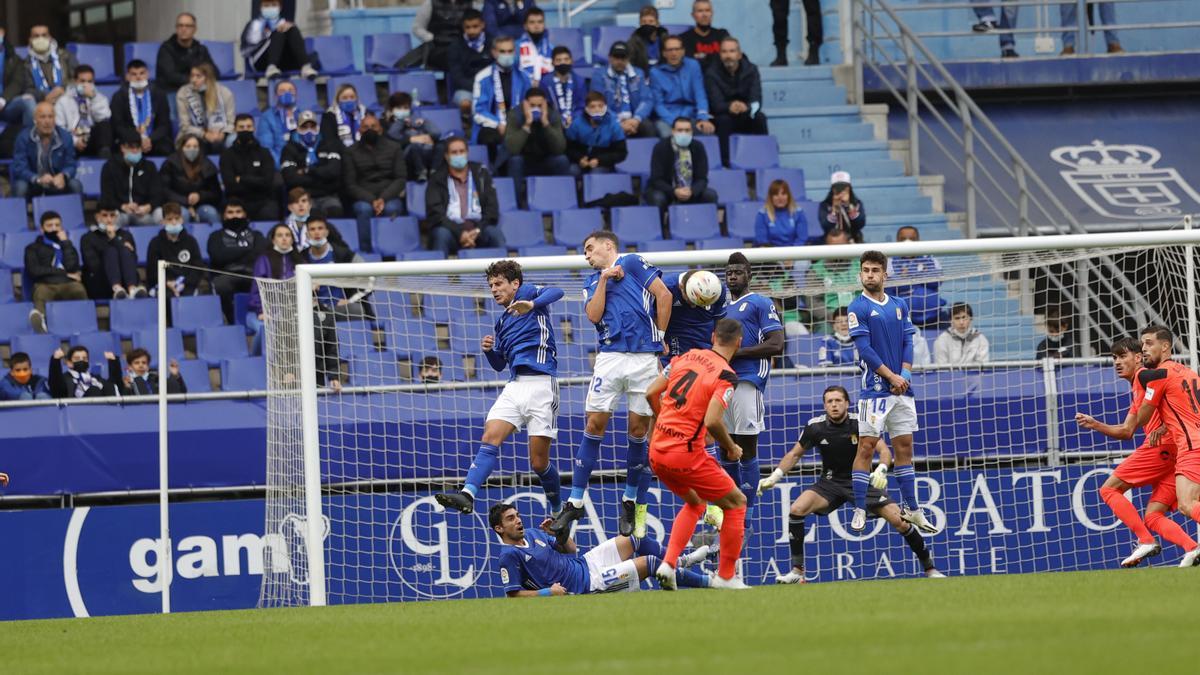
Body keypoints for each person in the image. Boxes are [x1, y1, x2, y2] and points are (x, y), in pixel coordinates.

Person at [548, 230, 673, 540]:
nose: (587, 255)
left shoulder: (632, 262)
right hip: (610, 357)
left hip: (644, 358)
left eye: (590, 249)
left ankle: (629, 498)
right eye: (585, 252)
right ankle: (575, 501)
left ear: (608, 246)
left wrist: (661, 335)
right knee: (595, 422)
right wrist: (603, 279)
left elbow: (665, 295)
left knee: (638, 430)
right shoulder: (592, 282)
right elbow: (593, 315)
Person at [758, 385, 946, 583]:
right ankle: (797, 573)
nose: (834, 405)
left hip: (861, 480)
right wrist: (775, 476)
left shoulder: (861, 422)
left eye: (838, 400)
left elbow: (884, 451)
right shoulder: (815, 427)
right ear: (824, 405)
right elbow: (794, 454)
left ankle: (930, 569)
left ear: (847, 403)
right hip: (830, 482)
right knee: (796, 509)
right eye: (829, 401)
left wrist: (882, 468)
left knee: (900, 522)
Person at [435, 260, 564, 515]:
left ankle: (559, 510)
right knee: (489, 436)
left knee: (539, 463)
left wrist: (532, 305)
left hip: (542, 385)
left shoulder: (527, 294)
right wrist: (488, 352)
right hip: (515, 385)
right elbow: (499, 364)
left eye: (499, 283)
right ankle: (467, 494)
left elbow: (556, 291)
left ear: (515, 284)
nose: (494, 289)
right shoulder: (502, 322)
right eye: (491, 285)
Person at [1075, 337, 1199, 568]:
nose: (1117, 362)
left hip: (1162, 449)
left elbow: (1172, 388)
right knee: (1154, 516)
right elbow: (1126, 431)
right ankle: (1193, 548)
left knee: (1109, 489)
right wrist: (1096, 425)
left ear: (1139, 357)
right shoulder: (1139, 386)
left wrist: (1163, 427)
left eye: (1123, 356)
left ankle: (1145, 541)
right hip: (1176, 452)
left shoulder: (1145, 376)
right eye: (1114, 358)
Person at [645, 318, 749, 590]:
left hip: (657, 449)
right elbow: (714, 421)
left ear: (713, 336)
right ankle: (726, 576)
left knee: (695, 502)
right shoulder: (726, 375)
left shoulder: (684, 357)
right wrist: (730, 446)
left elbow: (651, 392)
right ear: (739, 342)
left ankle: (668, 565)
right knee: (736, 502)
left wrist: (664, 418)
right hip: (686, 453)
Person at [846, 250, 934, 534]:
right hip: (874, 391)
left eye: (875, 270)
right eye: (865, 270)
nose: (869, 275)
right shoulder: (856, 308)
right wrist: (892, 376)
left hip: (902, 389)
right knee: (867, 447)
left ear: (885, 274)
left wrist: (905, 374)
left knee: (905, 449)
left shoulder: (900, 304)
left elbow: (909, 341)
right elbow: (866, 350)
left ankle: (912, 509)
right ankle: (860, 507)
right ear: (860, 274)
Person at [489, 502, 711, 596]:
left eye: (517, 515)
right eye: (511, 519)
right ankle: (712, 583)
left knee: (634, 538)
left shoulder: (533, 533)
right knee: (651, 563)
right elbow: (514, 595)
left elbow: (571, 549)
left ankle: (680, 561)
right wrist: (549, 592)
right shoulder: (509, 556)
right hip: (586, 585)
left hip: (586, 562)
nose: (518, 520)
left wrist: (559, 533)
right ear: (499, 528)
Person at [722, 252, 784, 528]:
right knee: (726, 449)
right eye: (729, 272)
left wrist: (737, 352)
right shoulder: (719, 306)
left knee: (746, 448)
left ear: (749, 274)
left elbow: (777, 343)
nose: (732, 276)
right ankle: (729, 506)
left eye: (738, 271)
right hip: (721, 382)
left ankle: (745, 513)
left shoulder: (760, 302)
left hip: (748, 379)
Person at [425, 137, 505, 256]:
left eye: (462, 151)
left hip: (478, 230)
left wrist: (477, 230)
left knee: (495, 234)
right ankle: (440, 275)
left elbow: (492, 209)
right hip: (450, 230)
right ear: (446, 156)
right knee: (441, 234)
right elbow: (436, 214)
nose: (459, 155)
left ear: (467, 153)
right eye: (454, 152)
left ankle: (505, 274)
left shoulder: (481, 173)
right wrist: (460, 232)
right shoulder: (437, 179)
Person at [344, 112, 406, 254]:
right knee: (363, 209)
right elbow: (350, 184)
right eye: (366, 127)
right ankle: (367, 256)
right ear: (359, 131)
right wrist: (372, 200)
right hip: (364, 198)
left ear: (381, 129)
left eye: (373, 126)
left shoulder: (394, 148)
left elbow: (400, 179)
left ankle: (390, 254)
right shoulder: (350, 152)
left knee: (391, 209)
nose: (370, 130)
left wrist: (383, 198)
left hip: (389, 196)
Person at [503, 87, 572, 204]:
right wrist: (527, 124)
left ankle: (564, 201)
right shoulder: (514, 115)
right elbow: (512, 149)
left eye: (540, 105)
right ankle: (516, 204)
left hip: (545, 160)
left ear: (545, 103)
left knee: (562, 160)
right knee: (515, 160)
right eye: (532, 105)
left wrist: (545, 123)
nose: (536, 108)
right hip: (523, 162)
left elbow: (560, 148)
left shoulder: (553, 115)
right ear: (525, 104)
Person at [706, 38, 767, 166]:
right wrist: (730, 106)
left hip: (746, 113)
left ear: (739, 54)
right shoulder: (711, 73)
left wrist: (748, 107)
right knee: (723, 121)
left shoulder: (751, 70)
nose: (728, 56)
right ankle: (726, 164)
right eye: (724, 52)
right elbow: (715, 104)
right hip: (724, 114)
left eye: (732, 51)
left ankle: (763, 160)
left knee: (759, 118)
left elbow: (757, 101)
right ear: (720, 54)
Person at [247, 223, 305, 356]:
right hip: (261, 312)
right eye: (280, 235)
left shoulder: (300, 260)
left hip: (290, 312)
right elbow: (256, 290)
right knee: (265, 329)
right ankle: (259, 362)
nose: (284, 238)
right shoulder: (263, 259)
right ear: (273, 240)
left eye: (287, 235)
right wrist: (261, 310)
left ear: (292, 239)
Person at [24, 211, 87, 333]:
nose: (54, 228)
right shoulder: (32, 248)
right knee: (41, 293)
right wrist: (63, 273)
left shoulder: (67, 245)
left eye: (57, 225)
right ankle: (40, 321)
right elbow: (35, 271)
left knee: (78, 289)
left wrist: (66, 244)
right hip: (46, 284)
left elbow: (73, 266)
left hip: (68, 284)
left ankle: (83, 324)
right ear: (42, 229)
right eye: (50, 225)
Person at [303, 216, 373, 322]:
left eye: (320, 228)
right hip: (312, 310)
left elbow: (371, 279)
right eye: (312, 229)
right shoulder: (300, 258)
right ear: (307, 234)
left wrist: (350, 300)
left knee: (356, 309)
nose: (316, 232)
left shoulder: (344, 254)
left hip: (339, 308)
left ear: (326, 232)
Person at [470, 35, 531, 156]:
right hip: (492, 126)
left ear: (515, 52)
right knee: (490, 138)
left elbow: (529, 104)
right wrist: (498, 124)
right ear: (494, 53)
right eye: (502, 51)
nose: (507, 55)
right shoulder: (483, 77)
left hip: (517, 125)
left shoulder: (524, 77)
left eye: (510, 51)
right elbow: (477, 111)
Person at [207, 199, 265, 322]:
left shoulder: (257, 235)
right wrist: (247, 250)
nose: (234, 215)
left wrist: (231, 253)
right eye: (230, 212)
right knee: (221, 285)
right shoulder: (215, 236)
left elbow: (261, 254)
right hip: (227, 275)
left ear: (244, 214)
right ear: (224, 215)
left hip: (252, 274)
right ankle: (230, 320)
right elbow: (218, 256)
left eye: (238, 212)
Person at [280, 110, 344, 218]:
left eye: (312, 126)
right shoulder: (289, 149)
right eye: (304, 127)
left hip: (327, 194)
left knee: (335, 210)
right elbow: (291, 179)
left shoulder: (329, 145)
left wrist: (307, 171)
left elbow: (334, 172)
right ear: (298, 129)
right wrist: (322, 176)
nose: (309, 131)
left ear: (317, 128)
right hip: (302, 197)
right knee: (309, 212)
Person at [644, 117, 718, 210]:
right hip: (666, 190)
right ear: (673, 131)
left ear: (692, 131)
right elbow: (656, 179)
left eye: (687, 130)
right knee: (658, 198)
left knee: (710, 195)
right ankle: (661, 225)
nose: (684, 133)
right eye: (680, 130)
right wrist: (674, 191)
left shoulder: (698, 147)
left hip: (690, 190)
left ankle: (707, 224)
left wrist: (692, 191)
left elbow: (702, 178)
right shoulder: (660, 147)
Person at [12, 101, 81, 198]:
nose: (47, 121)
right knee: (20, 187)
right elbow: (19, 168)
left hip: (57, 182)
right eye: (43, 117)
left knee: (75, 185)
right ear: (35, 119)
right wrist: (38, 179)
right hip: (33, 183)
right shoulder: (23, 138)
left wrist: (63, 176)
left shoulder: (66, 137)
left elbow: (71, 164)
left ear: (54, 119)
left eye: (50, 116)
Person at [649, 37, 714, 138]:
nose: (674, 53)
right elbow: (658, 105)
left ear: (683, 51)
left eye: (677, 49)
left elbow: (700, 94)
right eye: (669, 50)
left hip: (691, 115)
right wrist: (675, 122)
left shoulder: (693, 65)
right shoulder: (655, 72)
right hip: (667, 118)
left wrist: (703, 118)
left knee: (707, 130)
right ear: (664, 53)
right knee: (669, 136)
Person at [80, 202, 146, 300]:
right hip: (101, 282)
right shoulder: (87, 238)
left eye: (112, 215)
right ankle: (117, 288)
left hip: (126, 281)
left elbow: (133, 260)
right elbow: (93, 265)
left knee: (124, 251)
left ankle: (132, 289)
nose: (109, 219)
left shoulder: (125, 235)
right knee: (111, 251)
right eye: (105, 215)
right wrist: (115, 242)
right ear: (97, 217)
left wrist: (114, 238)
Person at [663, 269, 729, 366]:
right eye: (691, 301)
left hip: (704, 352)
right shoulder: (666, 288)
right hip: (673, 351)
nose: (694, 306)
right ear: (681, 287)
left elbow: (720, 321)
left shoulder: (717, 290)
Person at [220, 114, 280, 221]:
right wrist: (256, 181)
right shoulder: (227, 155)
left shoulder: (264, 153)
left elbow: (267, 182)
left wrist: (241, 179)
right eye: (241, 127)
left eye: (248, 127)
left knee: (270, 211)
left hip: (262, 202)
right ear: (235, 129)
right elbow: (230, 185)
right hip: (236, 203)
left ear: (254, 128)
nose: (245, 130)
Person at [591, 41, 655, 139]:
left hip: (634, 118)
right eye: (616, 57)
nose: (619, 61)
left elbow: (647, 100)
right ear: (610, 58)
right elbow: (598, 103)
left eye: (623, 58)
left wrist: (636, 119)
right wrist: (617, 122)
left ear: (628, 58)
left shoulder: (638, 73)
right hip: (610, 118)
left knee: (649, 127)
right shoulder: (599, 75)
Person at [240, 0, 319, 80]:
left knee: (292, 29)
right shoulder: (255, 24)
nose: (270, 8)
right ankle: (271, 67)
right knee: (279, 32)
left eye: (274, 5)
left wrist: (286, 28)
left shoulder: (283, 22)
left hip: (283, 61)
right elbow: (247, 49)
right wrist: (270, 34)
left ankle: (305, 67)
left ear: (280, 7)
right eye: (266, 6)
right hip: (262, 62)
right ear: (261, 7)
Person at [110, 59, 173, 157]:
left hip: (154, 140)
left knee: (167, 148)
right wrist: (137, 139)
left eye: (142, 73)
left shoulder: (159, 94)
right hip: (129, 140)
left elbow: (164, 125)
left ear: (147, 74)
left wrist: (150, 139)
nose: (138, 77)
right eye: (134, 74)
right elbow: (118, 126)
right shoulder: (119, 96)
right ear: (127, 76)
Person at [102, 129, 164, 226]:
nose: (135, 151)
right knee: (116, 219)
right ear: (122, 148)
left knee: (157, 215)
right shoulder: (110, 167)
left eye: (138, 147)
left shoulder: (149, 167)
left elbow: (158, 194)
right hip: (120, 210)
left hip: (143, 210)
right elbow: (107, 196)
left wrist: (148, 207)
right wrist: (122, 206)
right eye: (131, 147)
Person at [887, 225, 944, 328]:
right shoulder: (889, 262)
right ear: (897, 240)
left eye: (912, 239)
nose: (908, 242)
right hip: (901, 321)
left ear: (918, 240)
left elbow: (937, 280)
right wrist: (923, 276)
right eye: (903, 239)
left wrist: (908, 277)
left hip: (934, 318)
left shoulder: (929, 259)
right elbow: (889, 287)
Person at [161, 133, 223, 224]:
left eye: (195, 146)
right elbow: (164, 190)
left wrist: (200, 196)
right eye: (188, 146)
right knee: (183, 214)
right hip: (177, 204)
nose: (192, 149)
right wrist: (186, 201)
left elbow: (216, 193)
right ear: (181, 148)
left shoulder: (207, 165)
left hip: (202, 204)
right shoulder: (170, 164)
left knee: (211, 213)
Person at [146, 203, 206, 297]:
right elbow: (152, 271)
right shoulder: (155, 243)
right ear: (163, 221)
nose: (174, 222)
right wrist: (167, 282)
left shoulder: (191, 241)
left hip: (187, 284)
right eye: (169, 219)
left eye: (177, 218)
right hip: (164, 285)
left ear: (182, 219)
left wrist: (184, 282)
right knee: (167, 296)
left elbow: (198, 268)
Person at [54, 65, 113, 159]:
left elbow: (103, 118)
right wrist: (75, 141)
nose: (86, 85)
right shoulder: (63, 101)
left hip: (91, 139)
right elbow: (59, 127)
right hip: (71, 140)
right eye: (82, 81)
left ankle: (104, 159)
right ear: (75, 81)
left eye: (90, 81)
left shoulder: (100, 98)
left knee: (104, 126)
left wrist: (93, 98)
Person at [175, 62, 235, 154]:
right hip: (193, 133)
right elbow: (185, 126)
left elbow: (231, 122)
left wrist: (223, 134)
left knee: (232, 140)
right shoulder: (183, 93)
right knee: (195, 144)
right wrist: (204, 134)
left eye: (198, 76)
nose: (193, 80)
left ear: (208, 78)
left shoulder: (224, 93)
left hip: (220, 133)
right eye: (192, 76)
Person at [13, 25, 78, 107]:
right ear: (30, 40)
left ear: (50, 38)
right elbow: (26, 89)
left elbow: (77, 78)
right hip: (41, 104)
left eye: (44, 35)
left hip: (67, 99)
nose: (41, 39)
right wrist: (44, 96)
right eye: (36, 36)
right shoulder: (24, 64)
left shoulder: (66, 56)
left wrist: (63, 88)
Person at [565, 91, 628, 175]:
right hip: (580, 163)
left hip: (604, 164)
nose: (597, 109)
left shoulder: (614, 126)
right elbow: (569, 148)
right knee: (572, 171)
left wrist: (600, 160)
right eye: (593, 107)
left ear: (606, 107)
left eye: (600, 106)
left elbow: (621, 153)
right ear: (586, 108)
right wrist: (579, 158)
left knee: (596, 173)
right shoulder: (576, 124)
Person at [384, 92, 441, 181]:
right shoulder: (385, 123)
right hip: (406, 161)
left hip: (426, 152)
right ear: (391, 109)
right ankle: (421, 172)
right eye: (399, 108)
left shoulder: (416, 121)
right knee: (414, 147)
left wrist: (425, 123)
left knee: (441, 145)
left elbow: (437, 133)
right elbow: (391, 137)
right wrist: (411, 139)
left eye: (406, 108)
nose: (403, 111)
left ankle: (435, 171)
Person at [447, 9, 494, 115]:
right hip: (466, 89)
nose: (471, 31)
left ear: (482, 25)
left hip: (491, 86)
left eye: (475, 26)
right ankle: (468, 126)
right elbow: (457, 76)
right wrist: (476, 86)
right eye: (468, 27)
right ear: (463, 27)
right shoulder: (455, 47)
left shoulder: (493, 43)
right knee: (465, 103)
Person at [156, 12, 215, 94]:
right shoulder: (166, 48)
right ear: (176, 29)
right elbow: (170, 76)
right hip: (172, 92)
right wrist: (196, 79)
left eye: (188, 26)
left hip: (197, 91)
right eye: (180, 25)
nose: (184, 29)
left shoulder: (200, 49)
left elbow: (213, 71)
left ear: (195, 29)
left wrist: (201, 79)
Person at [410, 0, 476, 72]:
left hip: (461, 46)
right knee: (454, 58)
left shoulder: (470, 4)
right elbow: (417, 28)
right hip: (437, 48)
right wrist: (432, 38)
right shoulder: (430, 4)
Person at [48, 346, 121, 399]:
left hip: (104, 410)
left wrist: (113, 362)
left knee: (109, 386)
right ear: (69, 363)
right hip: (77, 412)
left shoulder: (96, 378)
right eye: (77, 358)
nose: (81, 361)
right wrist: (55, 361)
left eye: (84, 358)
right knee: (94, 390)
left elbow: (114, 385)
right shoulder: (65, 379)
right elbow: (56, 386)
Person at [540, 46, 586, 129]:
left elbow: (582, 105)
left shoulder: (579, 81)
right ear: (552, 62)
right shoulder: (545, 82)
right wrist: (559, 119)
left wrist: (573, 117)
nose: (563, 63)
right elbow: (545, 106)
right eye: (559, 60)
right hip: (553, 123)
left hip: (575, 122)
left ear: (571, 61)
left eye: (566, 59)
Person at [0, 25, 36, 129]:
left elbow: (17, 83)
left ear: (2, 33)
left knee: (28, 101)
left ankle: (29, 141)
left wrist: (2, 100)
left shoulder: (15, 59)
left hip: (6, 103)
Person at [754, 178, 806, 247]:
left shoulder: (798, 212)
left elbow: (801, 238)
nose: (780, 197)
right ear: (771, 197)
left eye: (783, 194)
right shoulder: (762, 214)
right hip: (770, 253)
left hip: (795, 253)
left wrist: (791, 255)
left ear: (788, 196)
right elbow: (762, 240)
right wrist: (779, 256)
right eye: (776, 194)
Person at [257, 80, 300, 164]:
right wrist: (283, 165)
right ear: (275, 96)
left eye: (291, 90)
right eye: (282, 91)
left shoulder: (304, 115)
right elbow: (266, 148)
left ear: (296, 95)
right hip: (279, 165)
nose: (287, 94)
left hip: (301, 164)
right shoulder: (267, 117)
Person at [678, 0, 731, 68]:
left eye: (707, 10)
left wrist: (701, 56)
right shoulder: (684, 39)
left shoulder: (722, 34)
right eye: (700, 11)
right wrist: (715, 56)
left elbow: (731, 56)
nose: (704, 15)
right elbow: (689, 64)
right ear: (693, 15)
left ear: (712, 13)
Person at [819, 171, 865, 241]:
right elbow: (825, 226)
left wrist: (849, 206)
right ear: (832, 189)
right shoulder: (824, 205)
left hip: (853, 240)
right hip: (832, 242)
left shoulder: (857, 204)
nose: (841, 191)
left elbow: (860, 224)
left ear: (849, 188)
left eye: (843, 187)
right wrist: (834, 210)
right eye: (837, 188)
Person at [121, 347, 186, 396]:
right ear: (130, 366)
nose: (140, 365)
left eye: (144, 363)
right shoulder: (127, 381)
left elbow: (182, 393)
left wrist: (175, 376)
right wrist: (127, 387)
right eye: (136, 363)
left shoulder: (157, 379)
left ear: (148, 366)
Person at [321, 83, 369, 149]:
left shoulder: (365, 113)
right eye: (344, 98)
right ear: (338, 100)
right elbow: (329, 140)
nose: (349, 100)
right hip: (340, 153)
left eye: (352, 97)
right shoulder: (330, 116)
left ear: (356, 98)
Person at [627, 6, 670, 74]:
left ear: (657, 23)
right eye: (644, 22)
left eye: (651, 22)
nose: (647, 25)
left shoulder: (665, 39)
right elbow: (629, 64)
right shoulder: (633, 41)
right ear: (640, 24)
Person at [515, 7, 553, 83]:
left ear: (544, 24)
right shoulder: (517, 46)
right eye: (532, 22)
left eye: (540, 22)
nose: (536, 26)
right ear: (525, 26)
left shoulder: (551, 48)